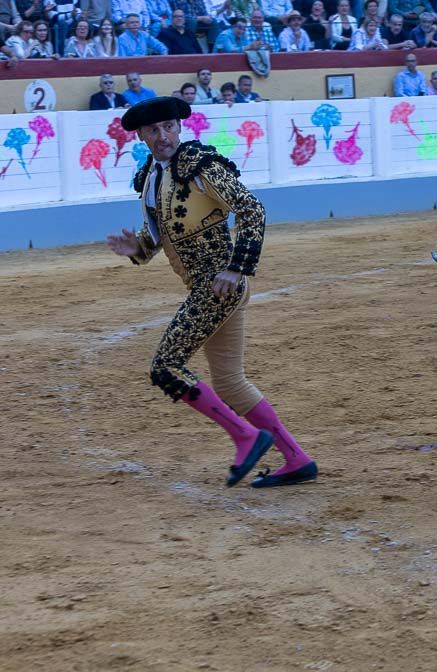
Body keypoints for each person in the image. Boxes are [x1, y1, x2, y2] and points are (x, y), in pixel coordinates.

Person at [104, 96, 317, 489]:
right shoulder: (151, 176)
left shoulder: (202, 166)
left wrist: (237, 267)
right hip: (207, 287)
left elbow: (252, 209)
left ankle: (245, 436)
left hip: (218, 285)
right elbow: (157, 238)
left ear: (179, 127)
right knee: (230, 382)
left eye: (168, 126)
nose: (162, 135)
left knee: (165, 366)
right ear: (142, 136)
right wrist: (137, 248)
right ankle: (296, 458)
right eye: (153, 130)